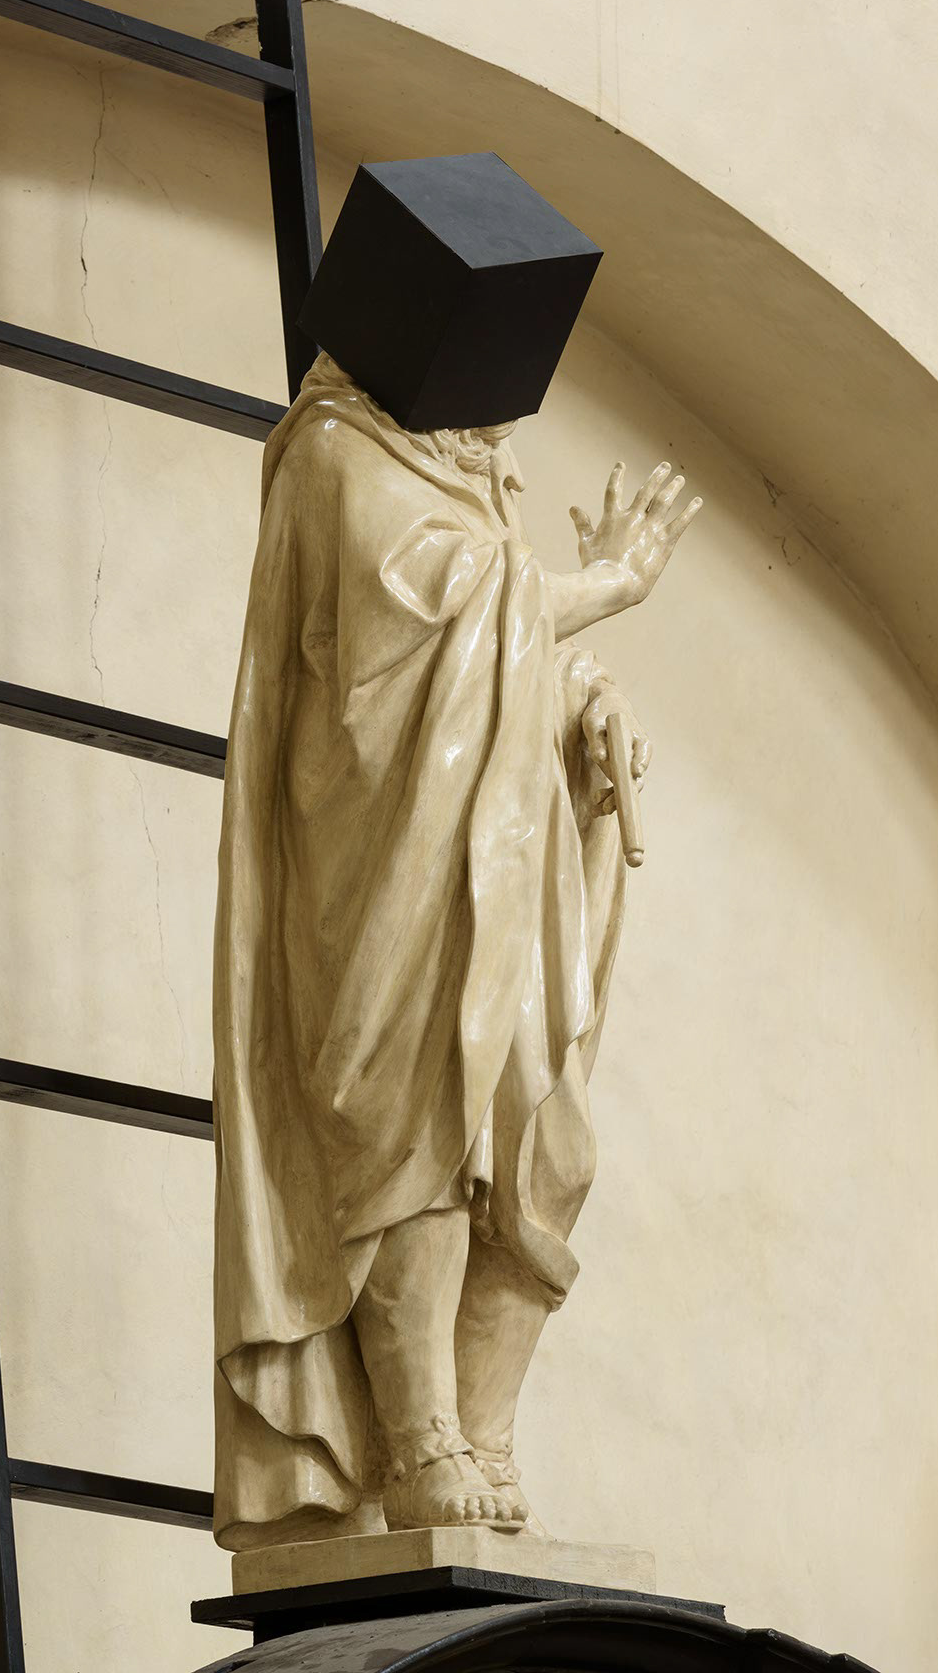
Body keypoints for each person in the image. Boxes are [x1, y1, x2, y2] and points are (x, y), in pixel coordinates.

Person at [212, 351, 700, 1550]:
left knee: (546, 1148)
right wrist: (608, 583)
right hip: (388, 870)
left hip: (503, 868)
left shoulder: (470, 469)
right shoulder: (336, 452)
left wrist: (585, 713)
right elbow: (429, 621)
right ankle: (419, 1434)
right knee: (424, 1136)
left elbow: (503, 665)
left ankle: (482, 1431)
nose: (508, 433)